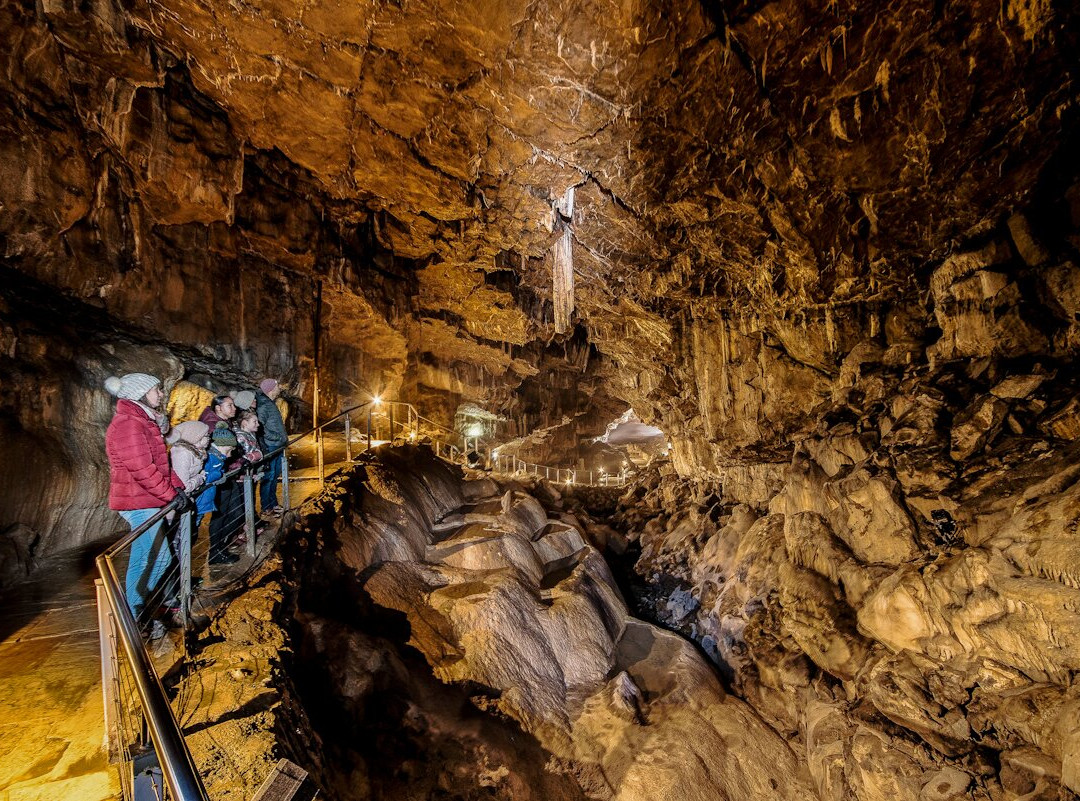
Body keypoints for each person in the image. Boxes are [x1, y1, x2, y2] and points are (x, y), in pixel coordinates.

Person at [104, 372, 186, 622]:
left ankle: (137, 610)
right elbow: (142, 469)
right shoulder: (129, 423)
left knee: (146, 557)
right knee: (158, 558)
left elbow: (161, 464)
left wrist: (178, 487)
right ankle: (134, 612)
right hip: (138, 501)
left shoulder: (143, 420)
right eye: (156, 390)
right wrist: (171, 494)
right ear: (140, 394)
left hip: (146, 499)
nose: (161, 394)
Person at [205, 428, 241, 565]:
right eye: (229, 450)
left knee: (236, 514)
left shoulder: (219, 457)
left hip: (226, 484)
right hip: (218, 489)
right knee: (220, 517)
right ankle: (216, 551)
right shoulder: (212, 457)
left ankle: (220, 547)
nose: (230, 454)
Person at [255, 378, 287, 516]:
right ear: (271, 389)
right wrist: (277, 437)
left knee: (274, 476)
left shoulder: (269, 403)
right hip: (271, 446)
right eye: (277, 386)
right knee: (269, 476)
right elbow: (259, 427)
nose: (279, 388)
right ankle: (266, 506)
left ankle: (272, 503)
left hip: (277, 446)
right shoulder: (263, 405)